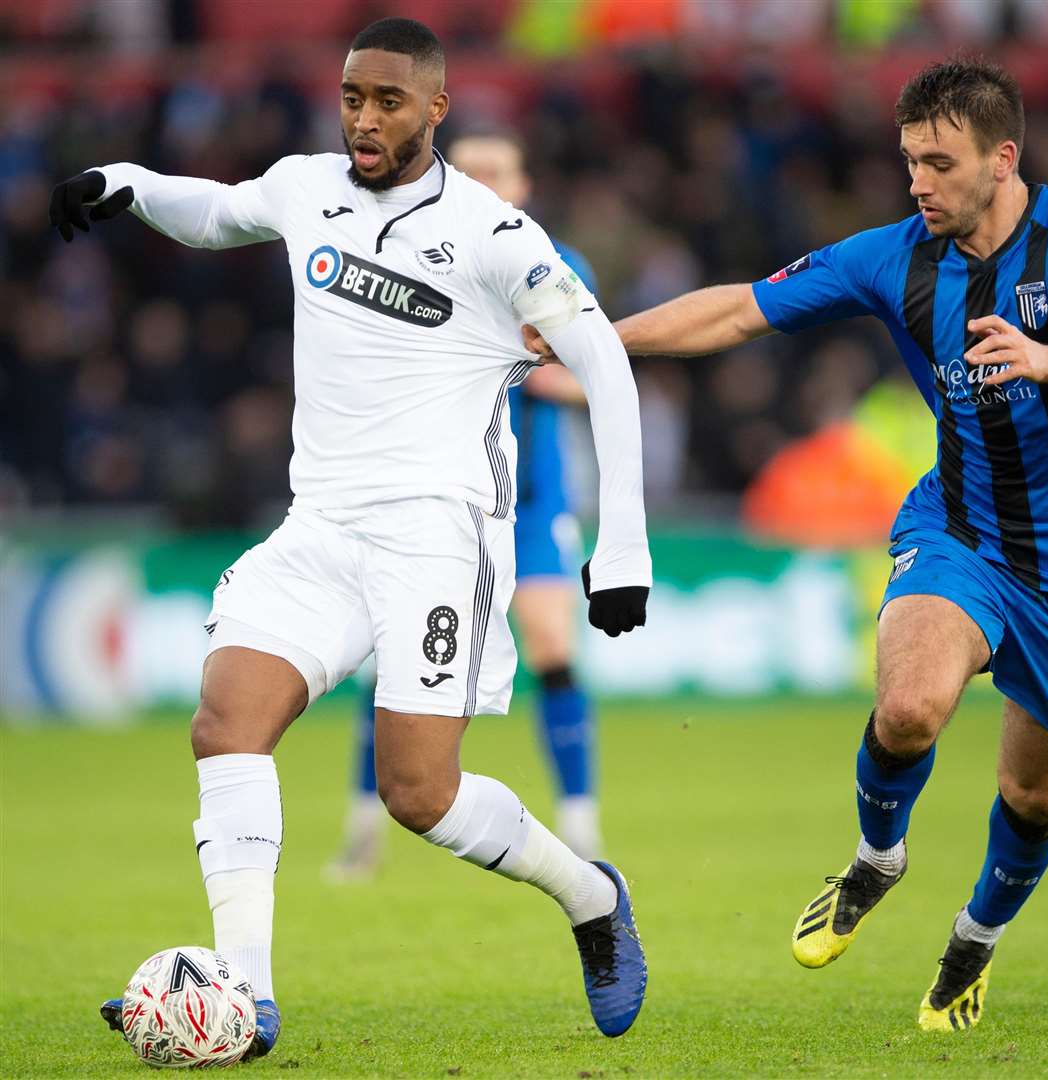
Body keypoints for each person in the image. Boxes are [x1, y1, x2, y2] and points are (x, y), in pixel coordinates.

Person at [528, 57, 1048, 1031]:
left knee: (1033, 793)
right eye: (910, 160)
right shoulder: (896, 260)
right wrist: (596, 342)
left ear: (1003, 159)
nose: (918, 181)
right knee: (911, 706)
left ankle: (974, 940)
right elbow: (740, 308)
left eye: (940, 163)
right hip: (960, 530)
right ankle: (878, 858)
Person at [50, 18, 652, 1057]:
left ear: (436, 111)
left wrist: (626, 544)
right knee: (225, 723)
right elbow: (219, 213)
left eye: (387, 101)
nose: (364, 119)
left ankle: (591, 896)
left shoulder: (493, 234)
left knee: (420, 794)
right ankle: (246, 997)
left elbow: (605, 363)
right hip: (319, 526)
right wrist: (127, 179)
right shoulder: (304, 185)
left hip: (436, 537)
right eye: (352, 97)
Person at [326, 132, 606, 881]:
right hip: (434, 495)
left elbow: (604, 375)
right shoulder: (411, 256)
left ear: (522, 183)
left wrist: (547, 379)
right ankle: (362, 832)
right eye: (470, 172)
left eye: (496, 173)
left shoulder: (553, 267)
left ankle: (582, 829)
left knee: (551, 648)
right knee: (390, 657)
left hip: (531, 497)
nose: (482, 183)